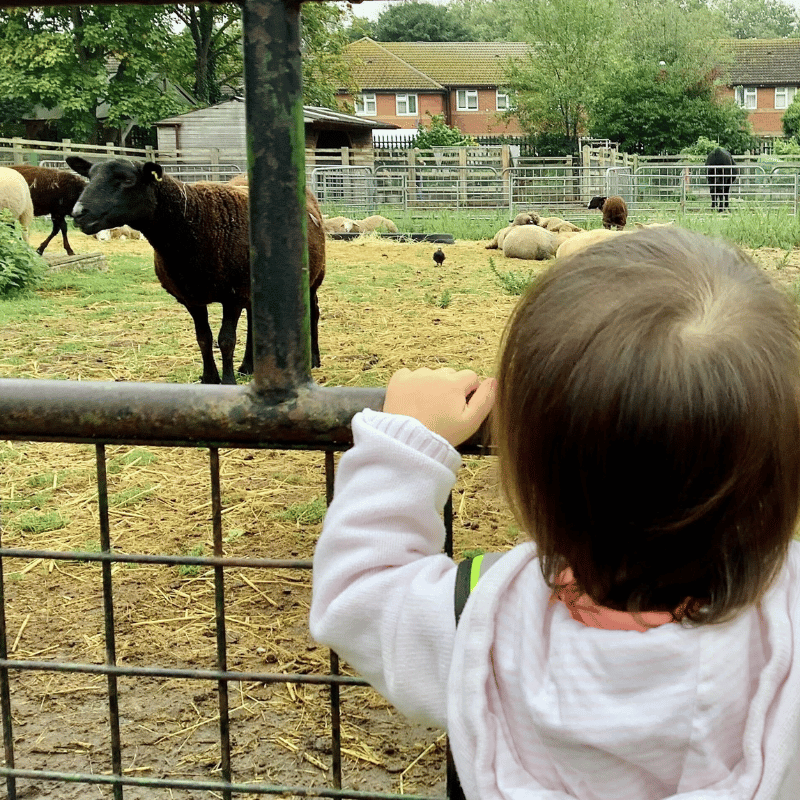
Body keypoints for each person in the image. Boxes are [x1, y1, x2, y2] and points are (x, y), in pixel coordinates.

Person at [309, 227, 800, 800]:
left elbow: (359, 593)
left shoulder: (481, 622)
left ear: (528, 468)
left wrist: (406, 445)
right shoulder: (786, 626)